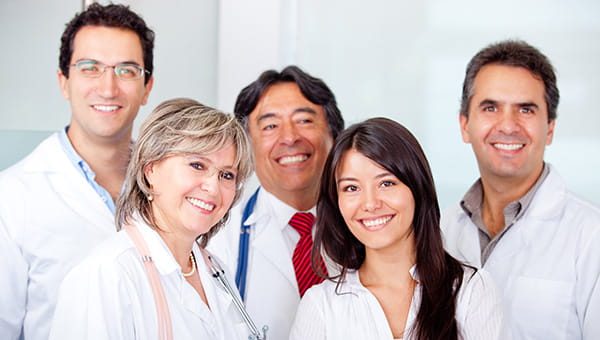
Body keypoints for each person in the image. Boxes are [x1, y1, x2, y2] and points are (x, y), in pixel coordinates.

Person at [0, 4, 154, 339]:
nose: (108, 88)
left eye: (127, 70)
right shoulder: (11, 198)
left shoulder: (176, 187)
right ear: (64, 82)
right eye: (90, 68)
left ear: (147, 87)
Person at [49, 98, 254, 339]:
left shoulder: (217, 271)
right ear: (150, 170)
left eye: (226, 175)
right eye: (197, 165)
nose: (213, 186)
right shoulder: (106, 274)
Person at [290, 117, 504, 340]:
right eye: (351, 188)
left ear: (417, 188)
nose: (370, 203)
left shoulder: (471, 291)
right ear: (337, 202)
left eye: (386, 183)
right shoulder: (321, 306)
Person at [441, 40, 600, 339]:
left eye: (525, 110)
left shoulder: (592, 236)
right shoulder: (443, 229)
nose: (508, 125)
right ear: (465, 125)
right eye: (490, 107)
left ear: (550, 128)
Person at [208, 65, 345, 339]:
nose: (290, 137)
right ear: (246, 145)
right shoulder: (215, 240)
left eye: (304, 120)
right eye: (270, 125)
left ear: (335, 135)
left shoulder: (370, 226)